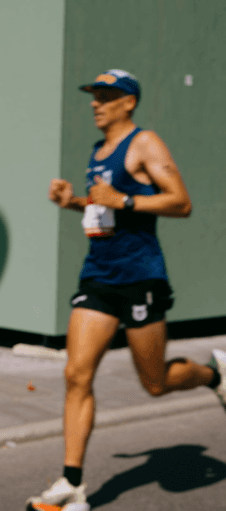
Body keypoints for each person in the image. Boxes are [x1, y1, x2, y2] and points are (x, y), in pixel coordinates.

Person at [26, 70, 226, 511]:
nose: (96, 103)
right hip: (98, 275)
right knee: (76, 375)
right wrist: (74, 202)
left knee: (154, 383)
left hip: (141, 278)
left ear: (128, 102)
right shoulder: (98, 151)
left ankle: (215, 375)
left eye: (106, 96)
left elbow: (181, 202)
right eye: (94, 96)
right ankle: (71, 484)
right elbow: (106, 206)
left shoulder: (145, 143)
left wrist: (126, 200)